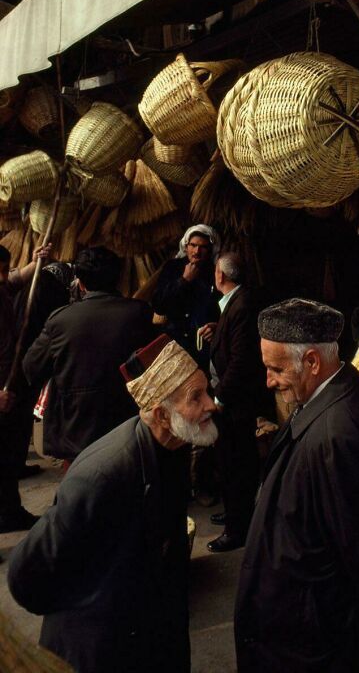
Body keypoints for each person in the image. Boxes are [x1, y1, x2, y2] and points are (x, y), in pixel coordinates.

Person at [7, 334, 217, 673]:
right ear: (162, 414)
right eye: (197, 397)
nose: (211, 404)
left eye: (206, 390)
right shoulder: (103, 475)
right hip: (102, 650)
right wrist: (88, 607)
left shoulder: (175, 445)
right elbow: (25, 573)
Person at [234, 297, 359, 673]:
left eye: (276, 369)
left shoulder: (337, 435)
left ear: (313, 362)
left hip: (312, 649)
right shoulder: (336, 397)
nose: (268, 380)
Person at [22, 246, 154, 462]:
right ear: (118, 279)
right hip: (126, 422)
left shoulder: (60, 320)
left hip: (75, 427)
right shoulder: (139, 313)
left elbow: (31, 367)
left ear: (81, 284)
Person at [203, 250, 265, 553]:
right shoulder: (235, 304)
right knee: (231, 462)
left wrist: (219, 398)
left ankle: (236, 529)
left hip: (235, 402)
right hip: (233, 399)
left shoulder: (242, 306)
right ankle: (234, 513)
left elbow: (242, 361)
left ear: (220, 276)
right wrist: (218, 333)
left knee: (235, 464)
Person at [0, 241, 52, 533]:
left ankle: (9, 513)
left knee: (7, 461)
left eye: (4, 271)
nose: (2, 277)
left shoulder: (3, 286)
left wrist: (36, 261)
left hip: (8, 387)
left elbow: (17, 279)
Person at [152, 224, 220, 365]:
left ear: (211, 249)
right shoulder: (172, 268)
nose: (197, 251)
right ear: (186, 246)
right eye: (193, 245)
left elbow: (222, 308)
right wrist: (184, 281)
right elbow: (158, 305)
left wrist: (216, 327)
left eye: (203, 247)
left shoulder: (216, 273)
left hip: (204, 347)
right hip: (173, 344)